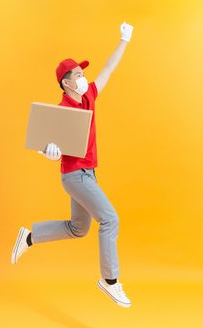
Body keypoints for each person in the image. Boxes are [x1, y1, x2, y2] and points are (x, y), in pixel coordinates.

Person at [11, 21, 134, 308]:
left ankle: (30, 237)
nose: (83, 77)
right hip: (75, 176)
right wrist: (49, 152)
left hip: (88, 174)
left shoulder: (89, 95)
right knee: (110, 219)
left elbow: (108, 70)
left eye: (83, 73)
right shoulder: (62, 110)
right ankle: (110, 281)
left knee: (78, 228)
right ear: (66, 82)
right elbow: (43, 142)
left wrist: (124, 41)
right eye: (78, 74)